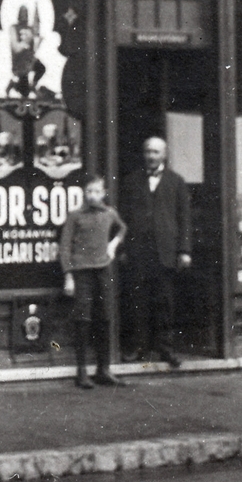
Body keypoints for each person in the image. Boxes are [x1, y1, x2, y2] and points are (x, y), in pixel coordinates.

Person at [120, 136, 192, 367]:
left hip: (166, 252)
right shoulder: (131, 181)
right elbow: (122, 219)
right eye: (148, 151)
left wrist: (184, 250)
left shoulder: (176, 182)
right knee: (138, 302)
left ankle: (166, 349)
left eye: (156, 152)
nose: (151, 156)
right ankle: (138, 348)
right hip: (139, 251)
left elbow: (184, 219)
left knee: (165, 303)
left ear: (165, 155)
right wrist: (122, 248)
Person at [61, 175, 126, 389]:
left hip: (103, 270)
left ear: (103, 193)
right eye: (89, 191)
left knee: (105, 317)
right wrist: (68, 275)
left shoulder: (109, 213)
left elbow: (122, 228)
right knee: (83, 319)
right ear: (84, 193)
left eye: (97, 192)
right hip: (82, 273)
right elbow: (65, 247)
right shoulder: (75, 216)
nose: (92, 196)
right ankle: (81, 372)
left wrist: (113, 245)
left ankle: (103, 369)